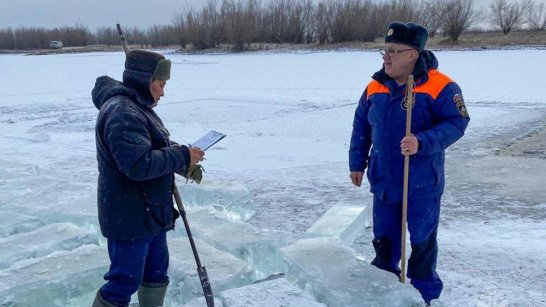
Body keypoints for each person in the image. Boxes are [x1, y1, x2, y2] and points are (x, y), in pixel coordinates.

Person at [349, 22, 470, 305]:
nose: (386, 57)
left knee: (422, 242)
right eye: (384, 51)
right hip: (385, 180)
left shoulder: (441, 86)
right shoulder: (375, 86)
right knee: (384, 241)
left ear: (412, 54)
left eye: (393, 51)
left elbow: (457, 122)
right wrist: (357, 163)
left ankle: (424, 295)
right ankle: (383, 290)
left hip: (422, 183)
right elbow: (361, 127)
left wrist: (422, 142)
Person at [91, 50, 205, 307]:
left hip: (150, 214)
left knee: (155, 275)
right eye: (161, 84)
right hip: (130, 216)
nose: (163, 92)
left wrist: (184, 159)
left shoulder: (137, 107)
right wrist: (180, 156)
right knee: (123, 284)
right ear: (144, 80)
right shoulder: (123, 113)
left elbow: (151, 145)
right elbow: (137, 164)